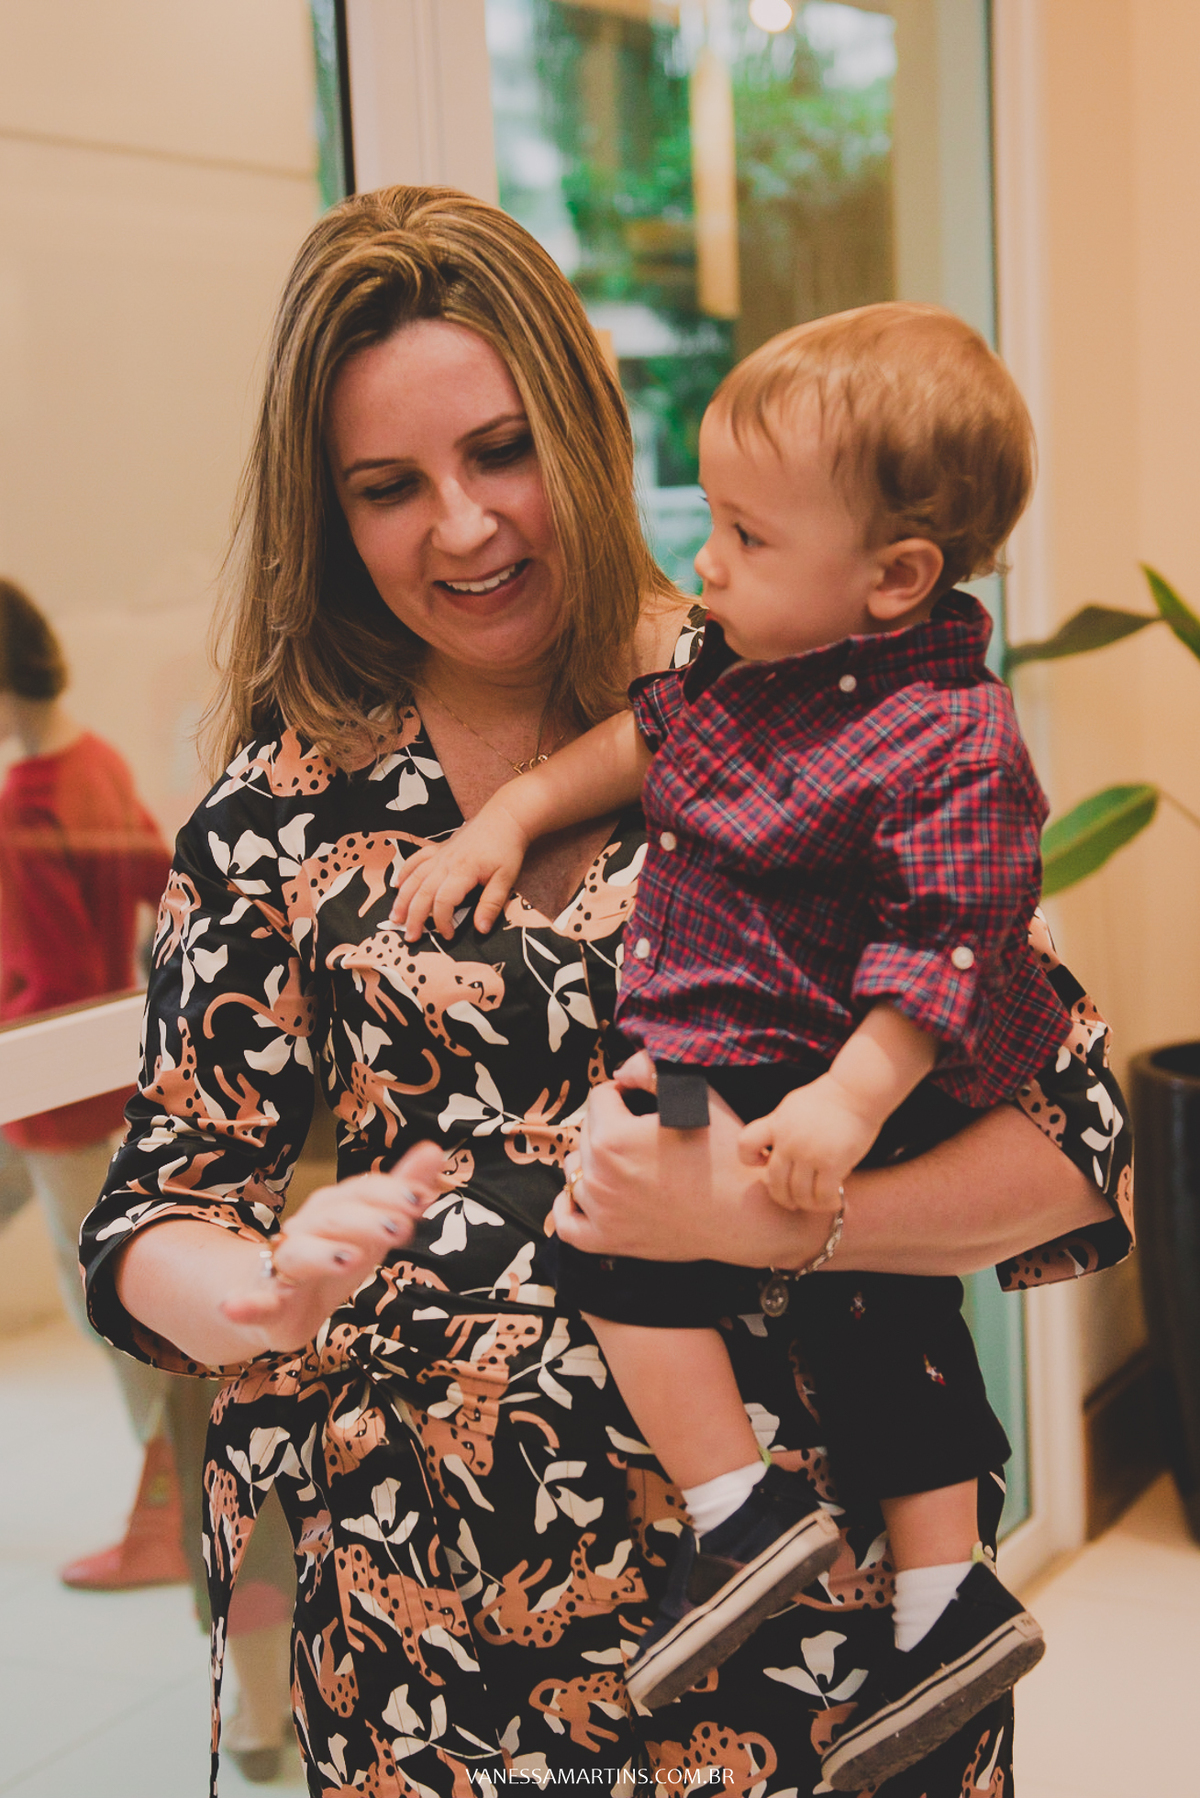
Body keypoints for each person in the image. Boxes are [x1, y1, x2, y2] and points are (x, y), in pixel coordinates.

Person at [79, 187, 1132, 1798]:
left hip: (836, 1658)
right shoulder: (278, 812)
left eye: (500, 451)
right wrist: (257, 1292)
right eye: (387, 487)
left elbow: (1072, 1135)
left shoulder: (809, 697)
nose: (462, 526)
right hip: (440, 1659)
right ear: (330, 512)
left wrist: (780, 1220)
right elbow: (156, 1203)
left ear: (582, 426)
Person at [392, 302, 1062, 1786]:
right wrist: (514, 812)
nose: (707, 560)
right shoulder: (747, 661)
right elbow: (644, 739)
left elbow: (951, 943)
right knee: (756, 1272)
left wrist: (851, 1102)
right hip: (712, 1030)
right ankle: (888, 1577)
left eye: (748, 535)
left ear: (894, 577)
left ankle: (784, 1532)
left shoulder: (950, 734)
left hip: (822, 1061)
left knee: (719, 1258)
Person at [0, 579, 186, 1591]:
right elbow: (161, 881)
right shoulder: (95, 761)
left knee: (102, 1308)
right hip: (107, 1079)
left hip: (55, 1099)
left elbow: (52, 979)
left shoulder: (26, 804)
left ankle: (170, 1511)